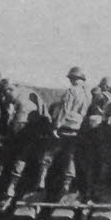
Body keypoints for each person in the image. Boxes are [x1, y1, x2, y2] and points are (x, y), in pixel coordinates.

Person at [37, 66, 91, 199]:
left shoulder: (71, 91)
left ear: (73, 78)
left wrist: (56, 126)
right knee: (70, 156)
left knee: (49, 153)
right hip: (77, 128)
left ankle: (41, 181)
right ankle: (67, 184)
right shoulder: (87, 94)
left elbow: (64, 110)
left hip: (65, 127)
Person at [0, 80, 49, 206]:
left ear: (10, 90)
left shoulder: (22, 102)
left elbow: (16, 125)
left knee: (19, 156)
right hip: (32, 129)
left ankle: (12, 187)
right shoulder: (22, 93)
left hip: (30, 131)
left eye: (5, 94)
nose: (5, 98)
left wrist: (6, 137)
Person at [82, 77, 111, 199]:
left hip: (97, 134)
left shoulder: (100, 98)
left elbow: (91, 117)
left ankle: (92, 191)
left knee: (94, 164)